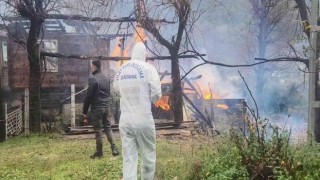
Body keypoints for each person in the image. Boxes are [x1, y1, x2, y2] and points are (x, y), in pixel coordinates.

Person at [113, 42, 162, 180]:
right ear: (144, 55)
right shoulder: (148, 68)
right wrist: (148, 100)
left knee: (129, 158)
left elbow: (116, 90)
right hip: (143, 118)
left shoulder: (121, 70)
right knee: (148, 156)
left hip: (125, 120)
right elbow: (157, 93)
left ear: (133, 54)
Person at [83, 60, 120, 159]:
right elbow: (108, 94)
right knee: (108, 128)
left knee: (98, 130)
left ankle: (99, 152)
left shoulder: (93, 78)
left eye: (92, 66)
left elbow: (89, 96)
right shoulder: (106, 78)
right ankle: (114, 149)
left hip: (97, 108)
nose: (91, 68)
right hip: (106, 107)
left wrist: (84, 111)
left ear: (94, 66)